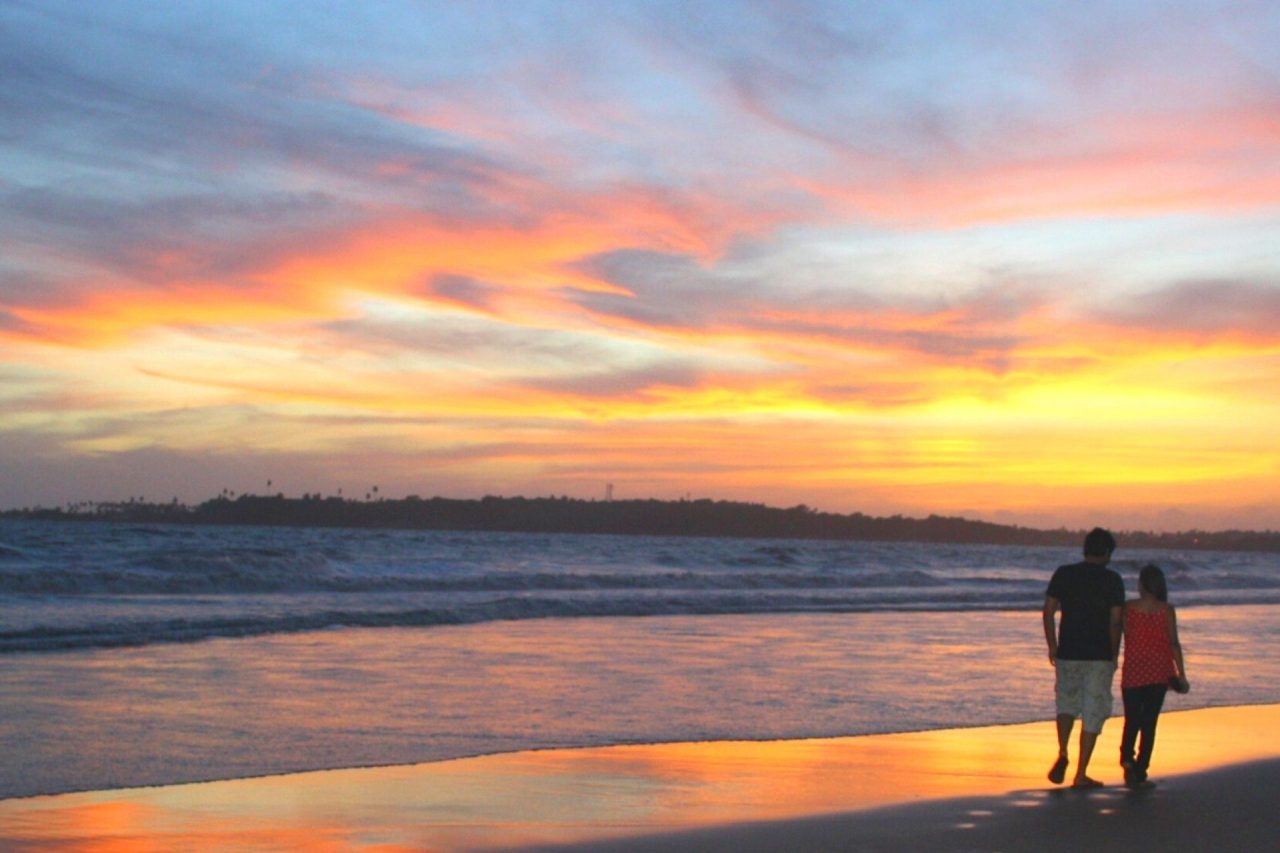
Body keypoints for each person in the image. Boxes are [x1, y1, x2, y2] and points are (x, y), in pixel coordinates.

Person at [1042, 527, 1125, 788]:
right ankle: (1080, 773)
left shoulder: (1064, 573)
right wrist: (1114, 654)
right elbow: (1115, 621)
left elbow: (1048, 612)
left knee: (1066, 703)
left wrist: (1053, 645)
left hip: (1068, 650)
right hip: (1098, 653)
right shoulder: (1112, 580)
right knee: (1093, 710)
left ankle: (1063, 751)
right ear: (1108, 553)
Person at [1119, 563, 1188, 789]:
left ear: (1141, 585)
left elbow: (1123, 634)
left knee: (1132, 719)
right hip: (1159, 672)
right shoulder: (1166, 610)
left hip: (1134, 670)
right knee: (1149, 723)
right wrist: (1181, 674)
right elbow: (1174, 643)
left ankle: (1127, 758)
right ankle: (1141, 768)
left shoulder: (1128, 608)